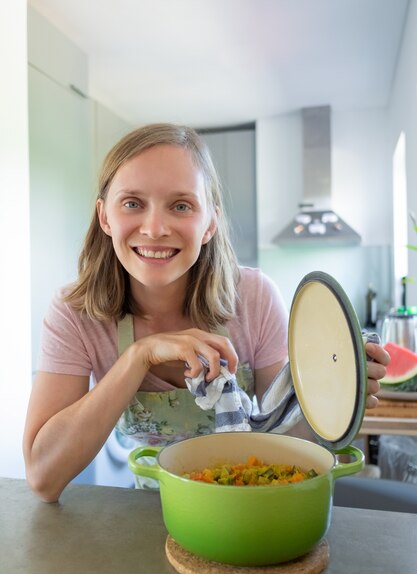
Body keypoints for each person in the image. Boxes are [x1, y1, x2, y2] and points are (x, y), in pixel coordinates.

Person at [23, 123, 389, 502]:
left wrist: (337, 394)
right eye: (132, 203)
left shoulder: (254, 297)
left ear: (210, 222)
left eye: (181, 205)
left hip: (249, 510)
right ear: (105, 217)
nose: (155, 228)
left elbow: (285, 442)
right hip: (144, 518)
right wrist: (139, 356)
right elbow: (43, 476)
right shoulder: (74, 312)